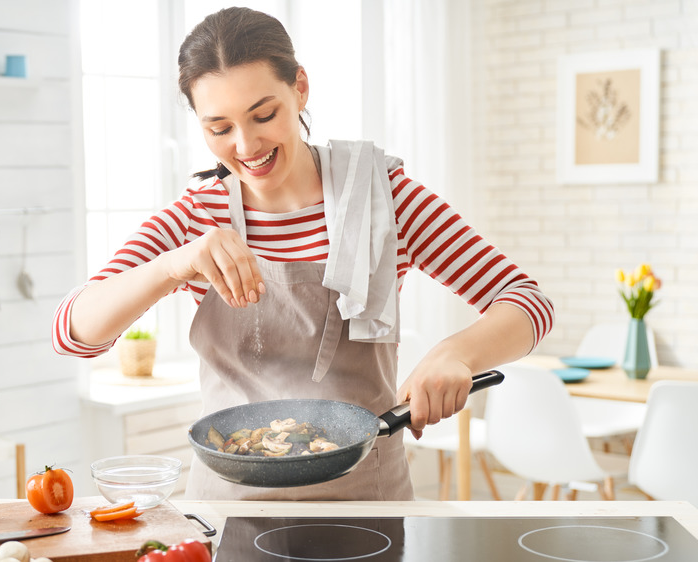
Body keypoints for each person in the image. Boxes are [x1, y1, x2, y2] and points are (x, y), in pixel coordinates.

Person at [54, 7, 554, 500]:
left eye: (263, 114)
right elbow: (73, 333)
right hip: (229, 507)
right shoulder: (196, 217)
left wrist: (456, 353)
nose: (246, 145)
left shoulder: (383, 197)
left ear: (300, 88)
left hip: (366, 501)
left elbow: (529, 302)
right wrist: (173, 264)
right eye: (219, 128)